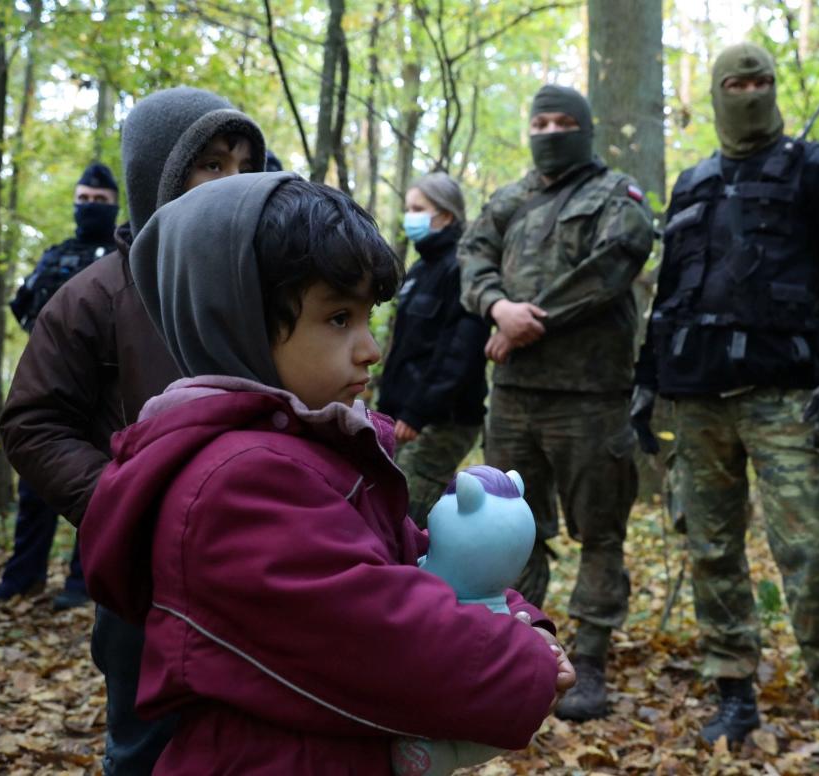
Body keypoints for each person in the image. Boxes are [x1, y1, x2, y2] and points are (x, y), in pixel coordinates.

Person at [78, 173, 571, 772]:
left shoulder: (307, 450)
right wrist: (523, 661)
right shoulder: (234, 482)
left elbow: (414, 560)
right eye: (339, 318)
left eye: (367, 316)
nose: (369, 347)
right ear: (235, 320)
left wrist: (517, 618)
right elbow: (374, 637)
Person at [631, 42, 819, 764]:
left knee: (812, 549)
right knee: (711, 551)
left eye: (760, 82)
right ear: (715, 93)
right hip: (695, 401)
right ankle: (732, 696)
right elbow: (671, 294)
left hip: (786, 397)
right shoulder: (692, 184)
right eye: (734, 83)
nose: (747, 93)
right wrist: (646, 381)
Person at [0, 87, 266, 774]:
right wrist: (126, 506)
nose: (233, 182)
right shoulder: (94, 295)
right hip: (148, 587)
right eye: (210, 164)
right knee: (145, 748)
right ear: (158, 176)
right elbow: (32, 420)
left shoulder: (272, 285)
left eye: (244, 164)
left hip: (266, 567)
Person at [458, 84, 655, 721]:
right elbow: (472, 253)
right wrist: (496, 306)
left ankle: (590, 659)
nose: (548, 131)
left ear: (584, 128)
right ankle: (522, 646)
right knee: (509, 530)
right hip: (513, 398)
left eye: (562, 121)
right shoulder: (510, 197)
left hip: (590, 398)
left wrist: (526, 322)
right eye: (539, 121)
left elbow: (615, 264)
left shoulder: (614, 193)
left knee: (599, 532)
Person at [0, 162, 120, 614]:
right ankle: (22, 579)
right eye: (85, 199)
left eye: (100, 202)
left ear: (114, 207)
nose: (90, 207)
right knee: (37, 491)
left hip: (107, 392)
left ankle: (83, 583)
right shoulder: (54, 256)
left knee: (100, 487)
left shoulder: (125, 259)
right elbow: (24, 305)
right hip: (55, 389)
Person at [378, 172, 490, 525]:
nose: (410, 216)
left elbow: (460, 352)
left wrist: (417, 412)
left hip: (441, 420)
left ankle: (429, 579)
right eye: (409, 208)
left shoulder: (461, 267)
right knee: (386, 504)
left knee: (404, 513)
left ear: (446, 215)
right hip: (405, 417)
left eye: (419, 208)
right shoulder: (420, 269)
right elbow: (408, 347)